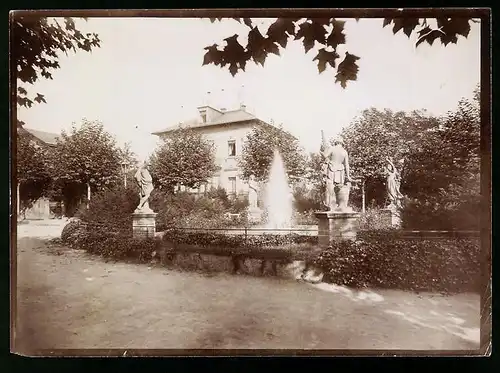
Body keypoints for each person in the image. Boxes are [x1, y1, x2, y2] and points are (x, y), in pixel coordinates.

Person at [320, 133, 352, 211]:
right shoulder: (344, 152)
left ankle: (330, 205)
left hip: (332, 169)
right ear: (342, 143)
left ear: (336, 142)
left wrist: (321, 152)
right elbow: (347, 164)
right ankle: (341, 205)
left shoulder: (332, 148)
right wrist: (348, 176)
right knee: (339, 187)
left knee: (330, 186)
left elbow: (325, 155)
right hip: (341, 170)